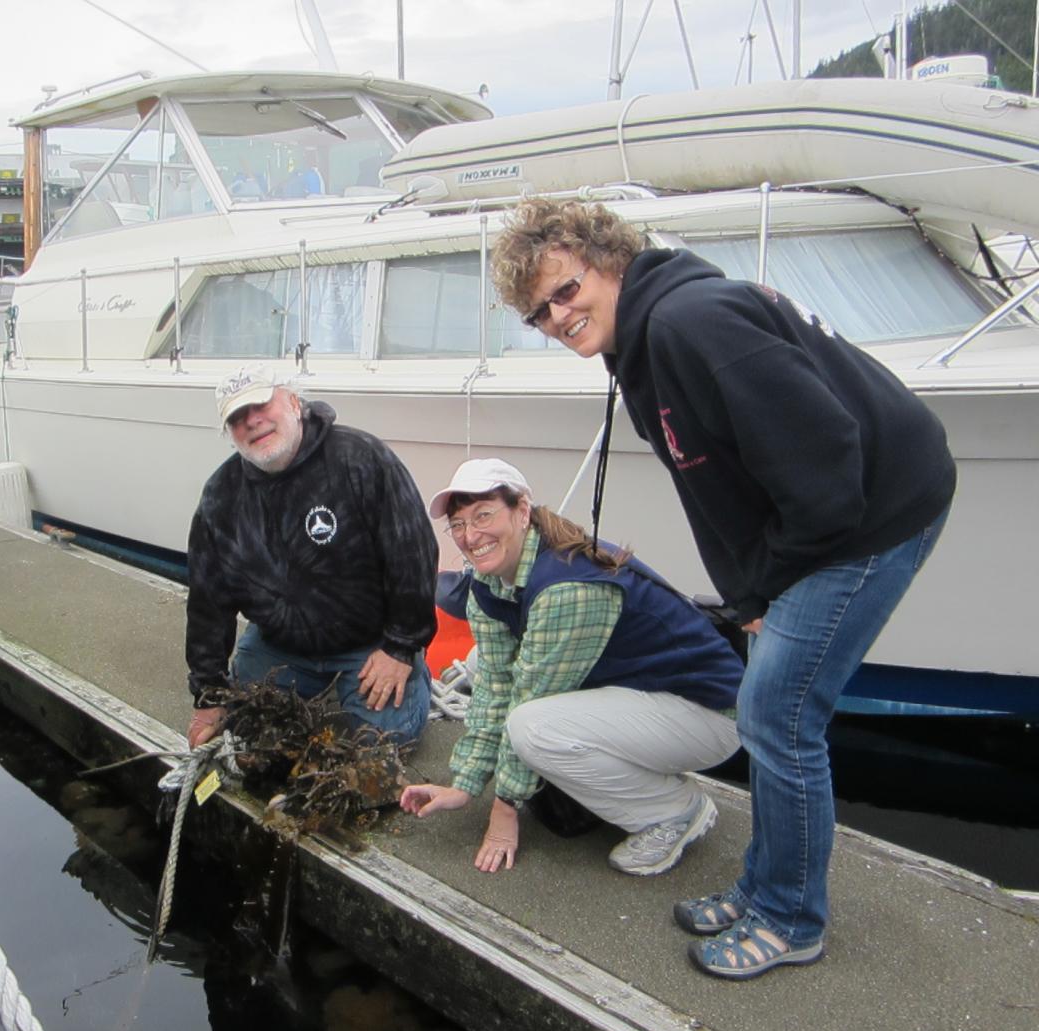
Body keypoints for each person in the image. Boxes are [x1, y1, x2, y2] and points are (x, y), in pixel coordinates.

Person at [490, 198, 954, 980]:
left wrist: (768, 588)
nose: (557, 317)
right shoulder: (638, 348)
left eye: (565, 291)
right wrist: (750, 600)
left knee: (780, 716)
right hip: (826, 519)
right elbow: (720, 490)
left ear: (607, 259)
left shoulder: (689, 323)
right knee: (768, 708)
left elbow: (828, 476)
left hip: (874, 515)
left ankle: (790, 918)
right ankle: (764, 886)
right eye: (538, 313)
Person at [399, 459, 742, 877]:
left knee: (533, 727)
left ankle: (673, 811)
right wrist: (464, 785)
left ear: (522, 510)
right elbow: (493, 687)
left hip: (710, 713)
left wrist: (505, 810)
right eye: (458, 524)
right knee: (527, 721)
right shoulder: (490, 585)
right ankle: (658, 794)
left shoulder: (565, 587)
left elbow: (529, 697)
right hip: (643, 701)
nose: (470, 536)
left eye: (484, 515)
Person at [185, 362, 438, 751]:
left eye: (260, 406)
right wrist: (209, 694)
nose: (252, 421)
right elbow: (208, 602)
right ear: (229, 432)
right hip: (278, 646)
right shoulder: (221, 496)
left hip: (369, 644)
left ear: (292, 401)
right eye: (238, 417)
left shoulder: (360, 459)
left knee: (388, 738)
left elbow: (413, 554)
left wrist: (401, 647)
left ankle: (412, 673)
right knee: (250, 731)